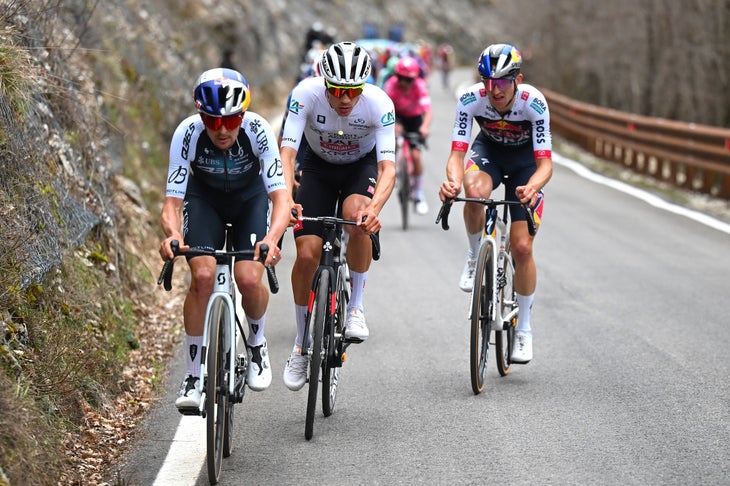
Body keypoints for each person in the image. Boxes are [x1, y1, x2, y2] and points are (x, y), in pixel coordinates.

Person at [159, 68, 290, 410]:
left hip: (250, 199)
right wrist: (172, 235)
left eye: (230, 121)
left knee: (247, 278)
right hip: (205, 201)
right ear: (200, 115)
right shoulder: (187, 133)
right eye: (211, 120)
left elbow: (281, 198)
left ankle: (258, 344)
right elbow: (172, 203)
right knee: (202, 277)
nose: (221, 130)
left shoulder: (258, 130)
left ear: (242, 116)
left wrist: (273, 238)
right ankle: (191, 376)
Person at [279, 41, 396, 391]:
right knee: (307, 254)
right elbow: (286, 156)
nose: (345, 99)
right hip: (316, 167)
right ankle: (302, 344)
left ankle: (356, 307)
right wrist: (286, 199)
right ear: (323, 82)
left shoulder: (379, 103)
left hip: (360, 167)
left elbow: (388, 167)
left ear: (364, 86)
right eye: (337, 90)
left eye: (353, 91)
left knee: (357, 218)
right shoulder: (304, 95)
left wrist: (375, 211)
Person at [438, 43, 552, 364]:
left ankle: (525, 329)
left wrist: (532, 187)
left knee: (522, 247)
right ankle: (475, 256)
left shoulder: (534, 103)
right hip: (488, 153)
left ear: (518, 79)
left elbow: (546, 165)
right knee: (473, 192)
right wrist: (452, 182)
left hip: (525, 164)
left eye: (502, 83)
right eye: (488, 82)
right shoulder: (471, 99)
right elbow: (456, 155)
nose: (494, 90)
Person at [384, 56, 432, 215]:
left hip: (414, 119)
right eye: (401, 78)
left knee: (416, 156)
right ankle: (394, 168)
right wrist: (393, 125)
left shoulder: (419, 85)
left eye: (408, 79)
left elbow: (428, 110)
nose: (404, 83)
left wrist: (424, 127)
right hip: (396, 116)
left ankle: (418, 193)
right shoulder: (391, 84)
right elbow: (384, 109)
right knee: (393, 141)